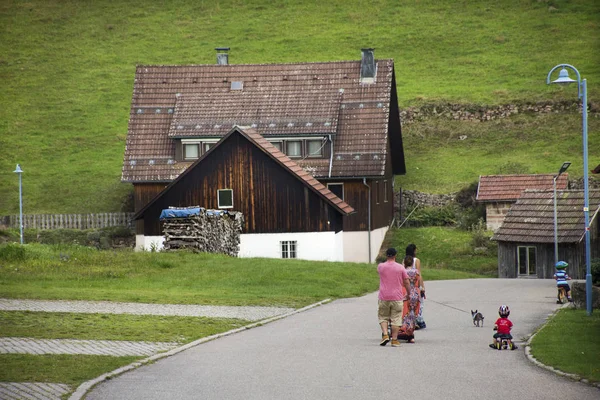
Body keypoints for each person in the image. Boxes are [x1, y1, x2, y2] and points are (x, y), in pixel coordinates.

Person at [377, 248, 411, 347]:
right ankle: (394, 340)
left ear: (386, 255)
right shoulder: (400, 268)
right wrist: (409, 294)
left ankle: (385, 335)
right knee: (396, 318)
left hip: (383, 296)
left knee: (383, 316)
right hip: (397, 297)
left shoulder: (380, 266)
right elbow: (406, 282)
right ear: (395, 255)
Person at [396, 255, 421, 343]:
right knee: (412, 313)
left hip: (405, 292)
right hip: (414, 292)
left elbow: (402, 282)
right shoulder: (416, 272)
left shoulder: (403, 271)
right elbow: (418, 282)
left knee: (404, 313)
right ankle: (411, 333)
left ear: (405, 263)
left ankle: (403, 330)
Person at [406, 244, 426, 329]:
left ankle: (408, 321)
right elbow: (419, 274)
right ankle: (419, 320)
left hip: (407, 285)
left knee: (408, 304)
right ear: (414, 251)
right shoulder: (416, 260)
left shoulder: (404, 260)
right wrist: (422, 286)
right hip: (415, 284)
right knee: (419, 303)